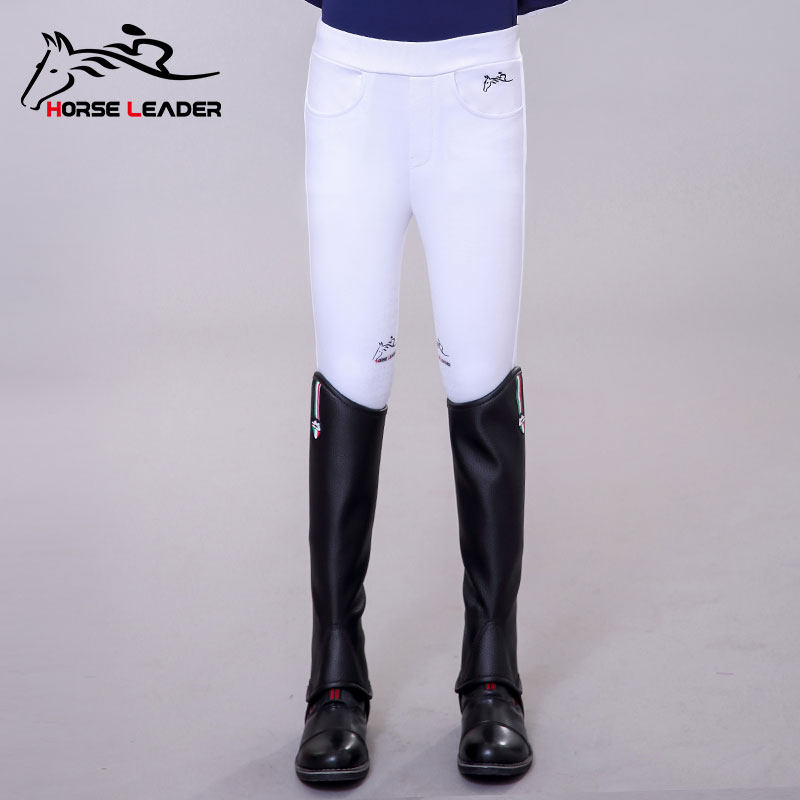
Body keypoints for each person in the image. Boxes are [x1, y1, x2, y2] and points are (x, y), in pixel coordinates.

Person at [294, 0, 569, 784]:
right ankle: (334, 679)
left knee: (481, 376)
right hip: (353, 78)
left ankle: (492, 676)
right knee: (351, 374)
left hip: (477, 76)